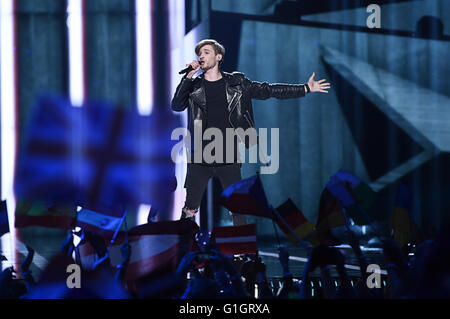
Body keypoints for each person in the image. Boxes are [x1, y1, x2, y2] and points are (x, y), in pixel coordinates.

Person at [171, 39, 331, 225]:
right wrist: (188, 77)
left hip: (228, 155)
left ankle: (244, 252)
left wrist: (304, 88)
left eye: (206, 52)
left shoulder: (238, 84)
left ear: (218, 57)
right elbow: (176, 105)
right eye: (199, 53)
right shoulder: (194, 86)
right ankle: (183, 248)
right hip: (199, 155)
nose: (201, 56)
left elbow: (268, 90)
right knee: (190, 208)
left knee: (237, 208)